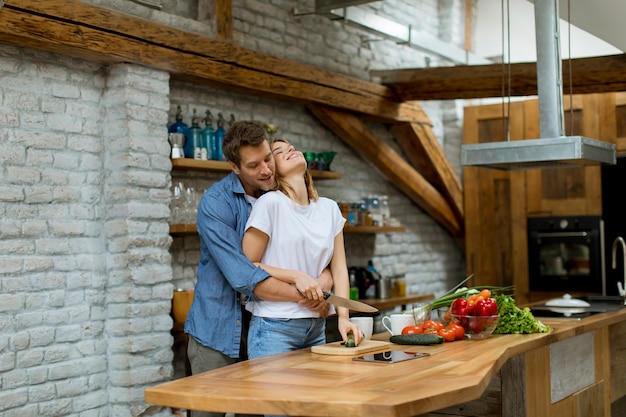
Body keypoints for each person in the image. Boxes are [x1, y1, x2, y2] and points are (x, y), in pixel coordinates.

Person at [184, 121, 333, 417]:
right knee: (208, 413)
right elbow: (243, 277)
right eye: (254, 165)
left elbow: (319, 259)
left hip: (269, 329)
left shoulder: (284, 195)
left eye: (268, 158)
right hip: (218, 330)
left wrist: (321, 284)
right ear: (234, 167)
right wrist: (309, 295)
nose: (266, 169)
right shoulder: (216, 203)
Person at [242, 138, 363, 360]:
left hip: (317, 326)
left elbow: (339, 269)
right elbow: (247, 264)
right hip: (273, 328)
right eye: (279, 151)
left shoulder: (329, 209)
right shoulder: (270, 204)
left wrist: (344, 318)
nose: (291, 150)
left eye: (292, 148)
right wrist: (296, 276)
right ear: (271, 168)